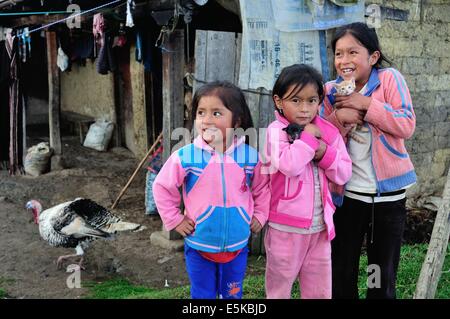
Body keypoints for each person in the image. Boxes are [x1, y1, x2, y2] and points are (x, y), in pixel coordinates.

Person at [320, 22, 417, 299]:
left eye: (353, 52)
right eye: (339, 54)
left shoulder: (389, 79)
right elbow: (322, 139)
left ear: (373, 57)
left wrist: (365, 104)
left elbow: (406, 124)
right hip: (348, 196)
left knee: (379, 273)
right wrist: (338, 119)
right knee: (342, 270)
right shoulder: (330, 91)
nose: (344, 60)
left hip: (387, 200)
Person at [152, 81, 269, 299]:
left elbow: (262, 189)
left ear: (238, 120)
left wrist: (260, 215)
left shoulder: (250, 157)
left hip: (237, 246)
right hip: (199, 245)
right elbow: (161, 187)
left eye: (217, 113)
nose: (207, 120)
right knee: (202, 295)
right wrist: (175, 219)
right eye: (201, 113)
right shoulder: (186, 156)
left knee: (233, 294)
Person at [263, 64, 352, 299]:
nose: (305, 108)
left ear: (320, 101)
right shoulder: (276, 132)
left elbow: (343, 173)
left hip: (320, 228)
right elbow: (290, 165)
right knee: (279, 290)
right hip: (285, 229)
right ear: (279, 101)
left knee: (319, 292)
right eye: (296, 100)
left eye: (312, 101)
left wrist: (324, 152)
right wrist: (309, 138)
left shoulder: (328, 132)